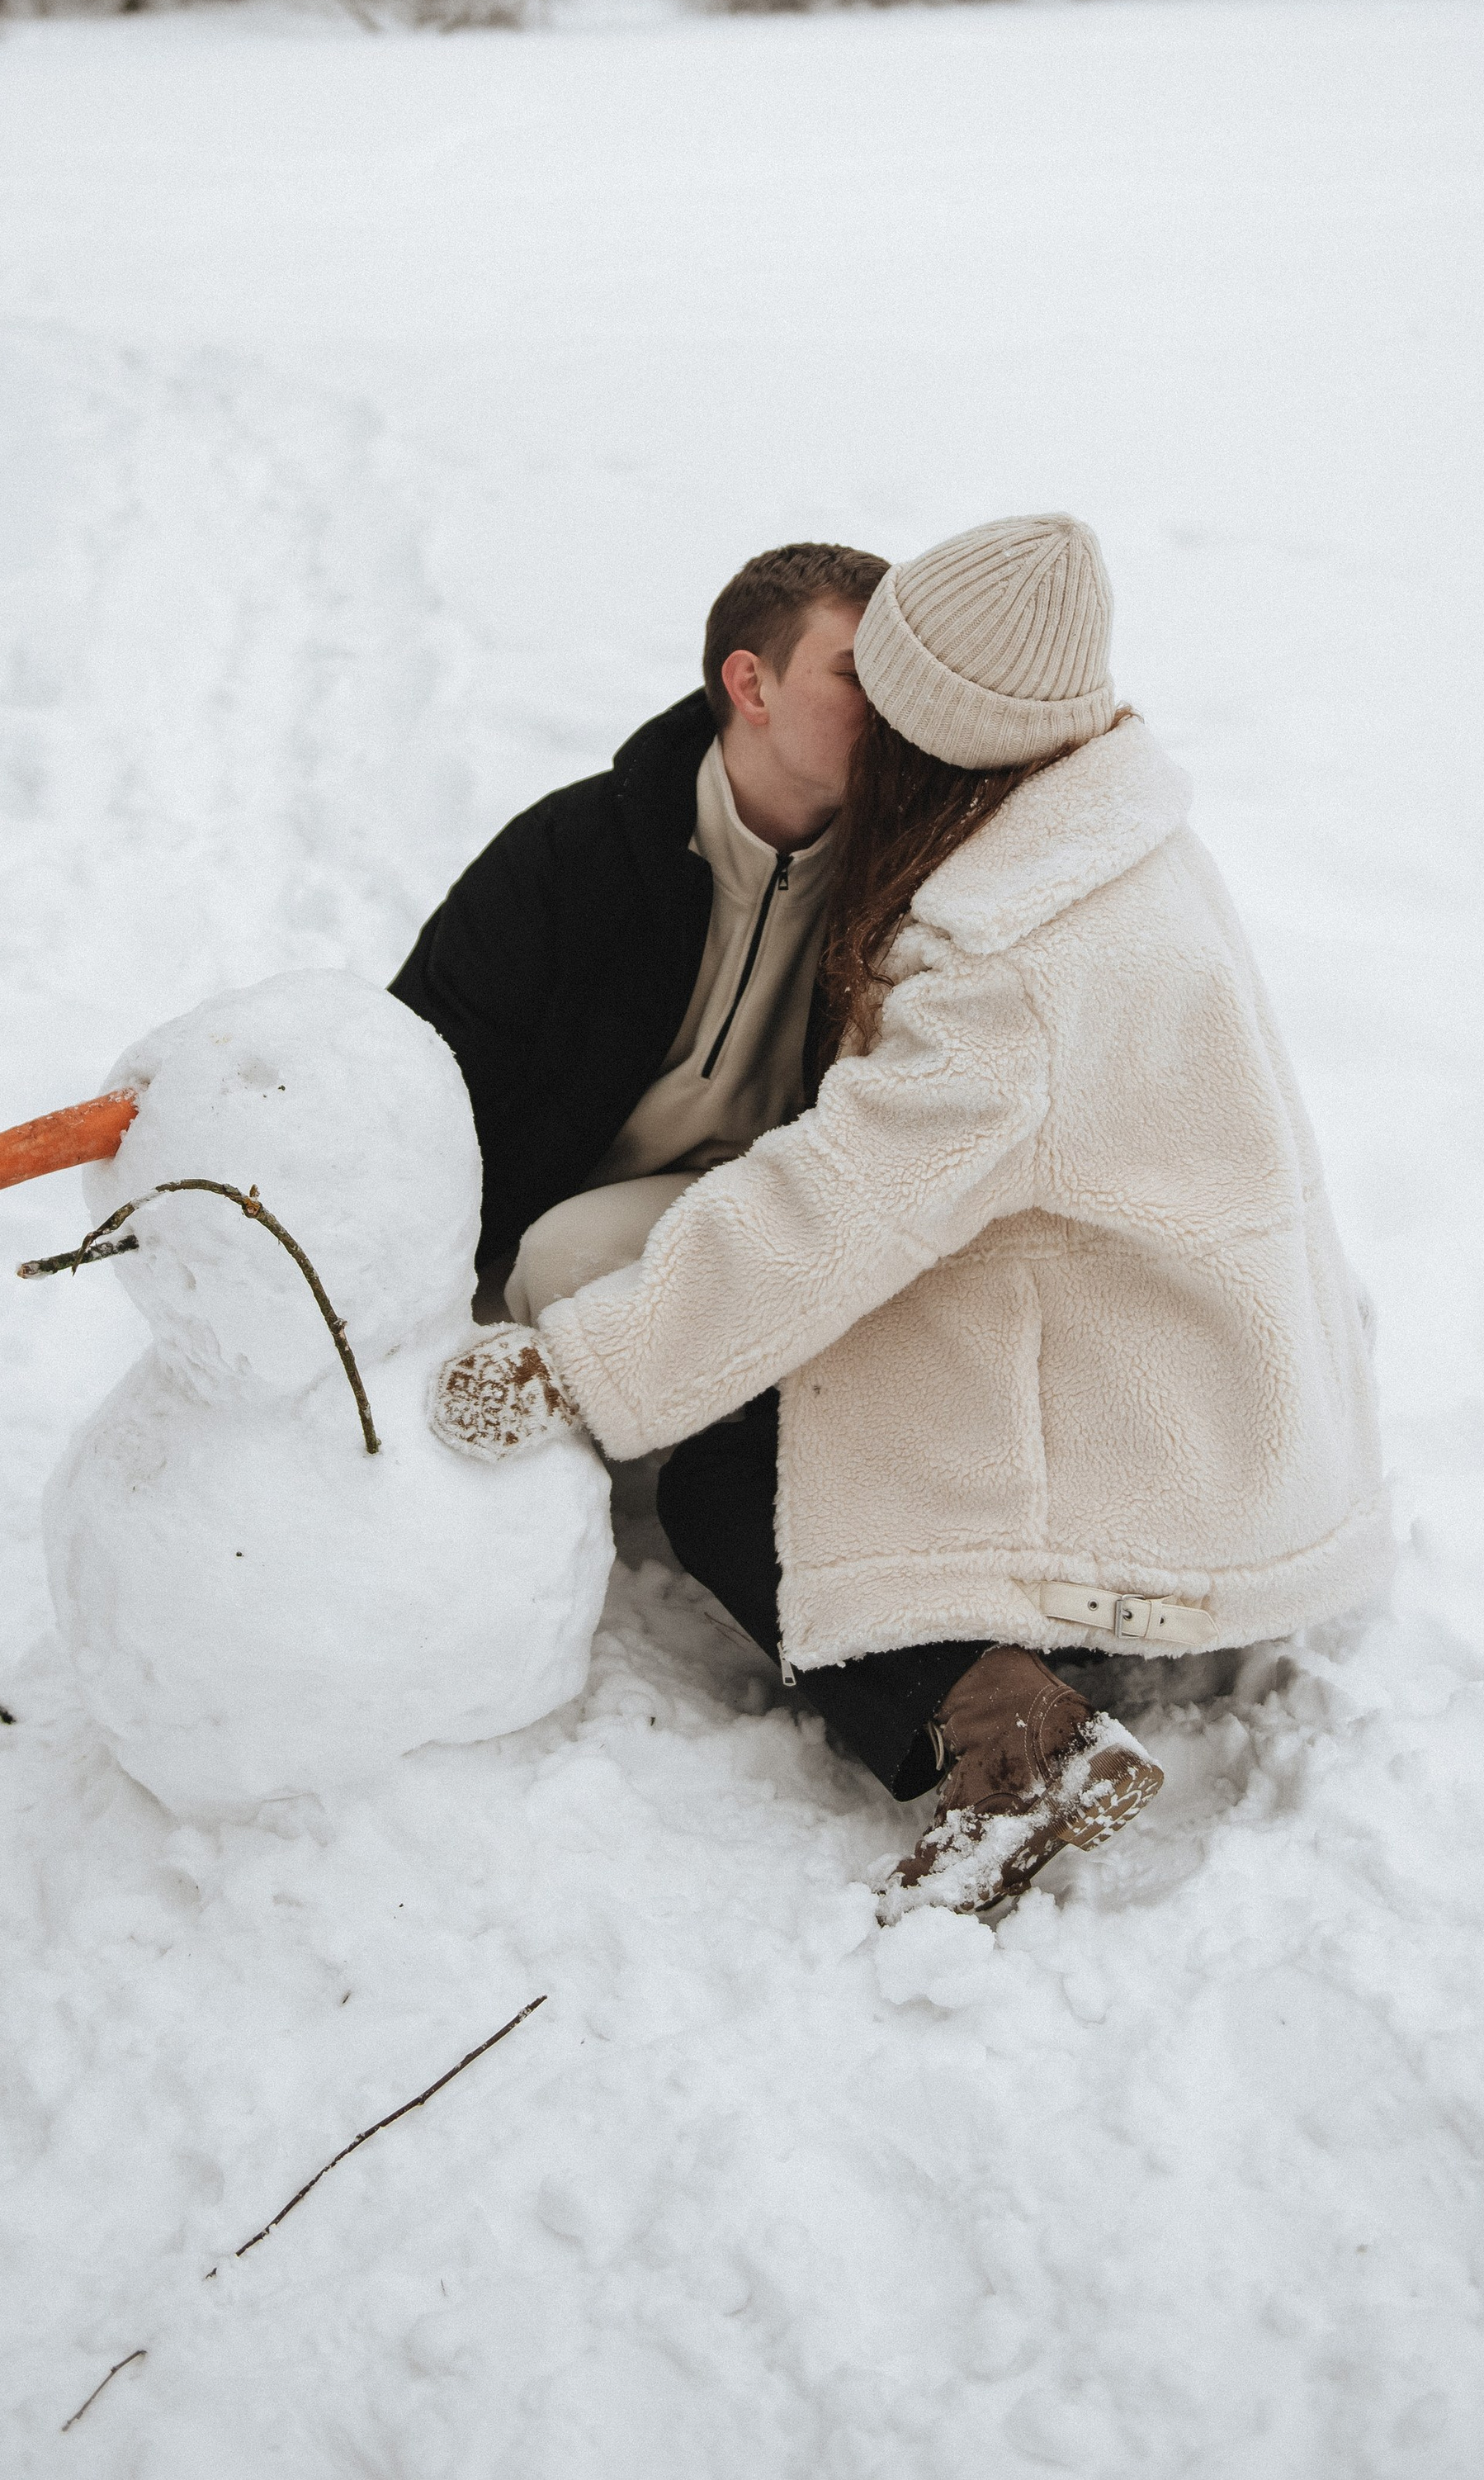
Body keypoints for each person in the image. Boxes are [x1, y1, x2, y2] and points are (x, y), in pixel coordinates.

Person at [430, 514, 1390, 1921]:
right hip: (1201, 1368)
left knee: (734, 1483)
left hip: (1153, 1440)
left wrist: (584, 1367)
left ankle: (1011, 1736)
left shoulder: (1014, 955)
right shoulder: (1109, 828)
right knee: (799, 1404)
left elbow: (839, 1208)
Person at [390, 540, 888, 1318]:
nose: (894, 702)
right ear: (751, 684)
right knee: (557, 1257)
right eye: (860, 674)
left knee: (569, 1256)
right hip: (536, 1246)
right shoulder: (572, 855)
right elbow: (409, 1074)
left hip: (783, 1227)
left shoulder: (900, 881)